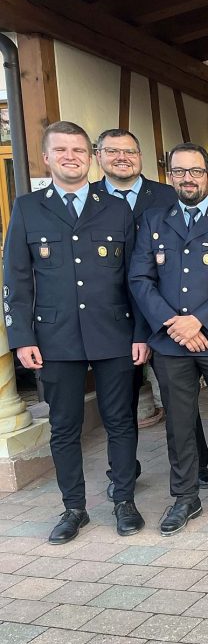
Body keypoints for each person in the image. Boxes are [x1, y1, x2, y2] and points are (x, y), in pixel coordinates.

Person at [4, 121, 148, 542]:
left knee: (121, 421)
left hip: (114, 333)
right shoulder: (28, 208)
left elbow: (133, 278)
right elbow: (15, 278)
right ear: (46, 157)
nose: (71, 157)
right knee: (64, 426)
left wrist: (141, 333)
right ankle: (74, 507)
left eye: (78, 150)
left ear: (92, 157)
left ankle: (124, 500)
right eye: (61, 150)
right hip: (55, 338)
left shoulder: (116, 208)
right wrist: (22, 338)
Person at [130, 142, 208, 535]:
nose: (188, 178)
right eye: (180, 172)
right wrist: (173, 323)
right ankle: (185, 497)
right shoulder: (153, 220)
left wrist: (199, 322)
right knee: (179, 424)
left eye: (195, 171)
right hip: (170, 343)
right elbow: (140, 278)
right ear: (171, 177)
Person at [92, 128, 208, 499]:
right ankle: (123, 473)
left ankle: (199, 464)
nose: (121, 157)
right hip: (113, 315)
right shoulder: (89, 198)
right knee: (120, 402)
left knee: (181, 397)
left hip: (167, 314)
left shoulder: (166, 195)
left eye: (129, 151)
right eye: (112, 151)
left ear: (142, 157)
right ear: (99, 156)